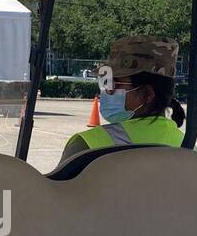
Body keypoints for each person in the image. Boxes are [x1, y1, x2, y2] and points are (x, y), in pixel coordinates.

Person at [59, 36, 186, 164]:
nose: (107, 91)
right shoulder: (188, 149)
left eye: (114, 83)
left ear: (146, 94)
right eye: (105, 83)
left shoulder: (87, 146)